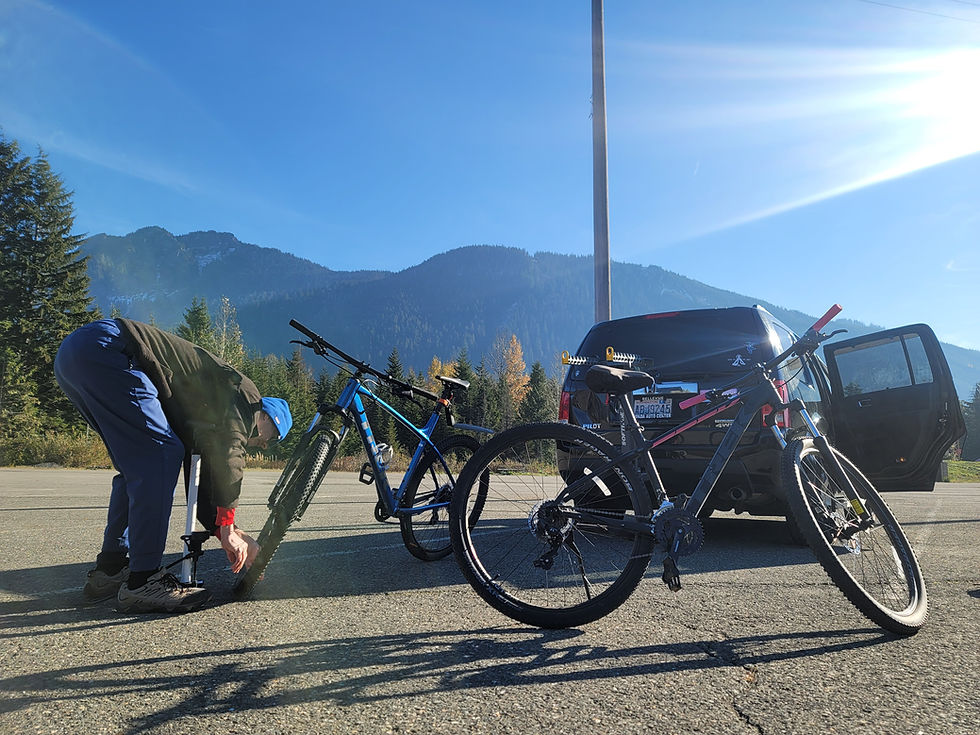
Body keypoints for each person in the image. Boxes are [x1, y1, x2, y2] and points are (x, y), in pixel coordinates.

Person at [54, 317, 293, 613]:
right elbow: (231, 456)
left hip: (76, 356)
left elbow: (203, 482)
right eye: (273, 439)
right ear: (269, 419)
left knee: (136, 468)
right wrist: (229, 527)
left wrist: (226, 531)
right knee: (160, 455)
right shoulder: (248, 397)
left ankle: (111, 570)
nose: (266, 445)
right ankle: (143, 582)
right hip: (112, 351)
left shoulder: (208, 414)